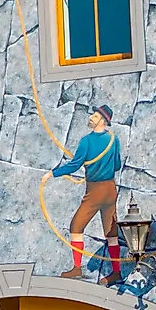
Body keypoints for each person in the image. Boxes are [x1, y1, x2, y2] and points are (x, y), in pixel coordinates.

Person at [51, 106, 123, 279]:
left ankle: (77, 268)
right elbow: (117, 165)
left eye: (95, 115)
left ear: (103, 121)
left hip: (95, 191)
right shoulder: (114, 139)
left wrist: (53, 174)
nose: (91, 117)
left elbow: (74, 165)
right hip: (110, 189)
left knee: (76, 226)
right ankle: (116, 272)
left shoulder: (86, 141)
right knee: (111, 232)